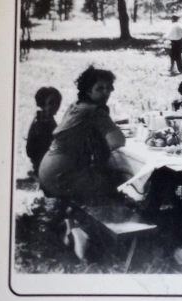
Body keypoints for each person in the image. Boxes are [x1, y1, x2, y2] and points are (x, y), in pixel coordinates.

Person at [38, 66, 130, 259]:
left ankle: (73, 223)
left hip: (48, 168)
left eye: (108, 87)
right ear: (88, 90)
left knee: (106, 176)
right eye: (100, 88)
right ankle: (101, 236)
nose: (106, 92)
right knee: (120, 180)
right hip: (63, 174)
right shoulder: (95, 111)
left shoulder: (76, 106)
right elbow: (118, 141)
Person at [25, 87, 62, 177]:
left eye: (57, 102)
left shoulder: (47, 119)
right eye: (51, 103)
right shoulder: (42, 122)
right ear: (42, 105)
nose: (55, 106)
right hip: (43, 166)